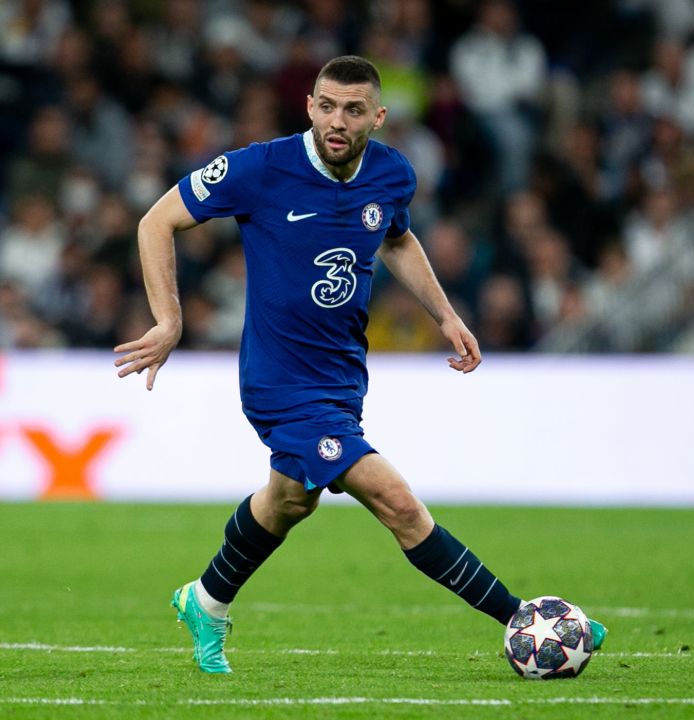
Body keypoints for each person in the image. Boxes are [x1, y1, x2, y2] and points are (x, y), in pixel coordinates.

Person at [113, 56, 606, 674]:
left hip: (343, 377)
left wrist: (444, 315)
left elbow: (395, 238)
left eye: (352, 109)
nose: (336, 120)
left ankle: (205, 600)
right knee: (395, 500)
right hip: (279, 382)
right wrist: (170, 321)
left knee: (290, 500)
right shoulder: (260, 168)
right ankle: (523, 620)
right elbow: (156, 220)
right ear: (310, 106)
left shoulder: (393, 173)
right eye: (325, 105)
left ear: (378, 116)